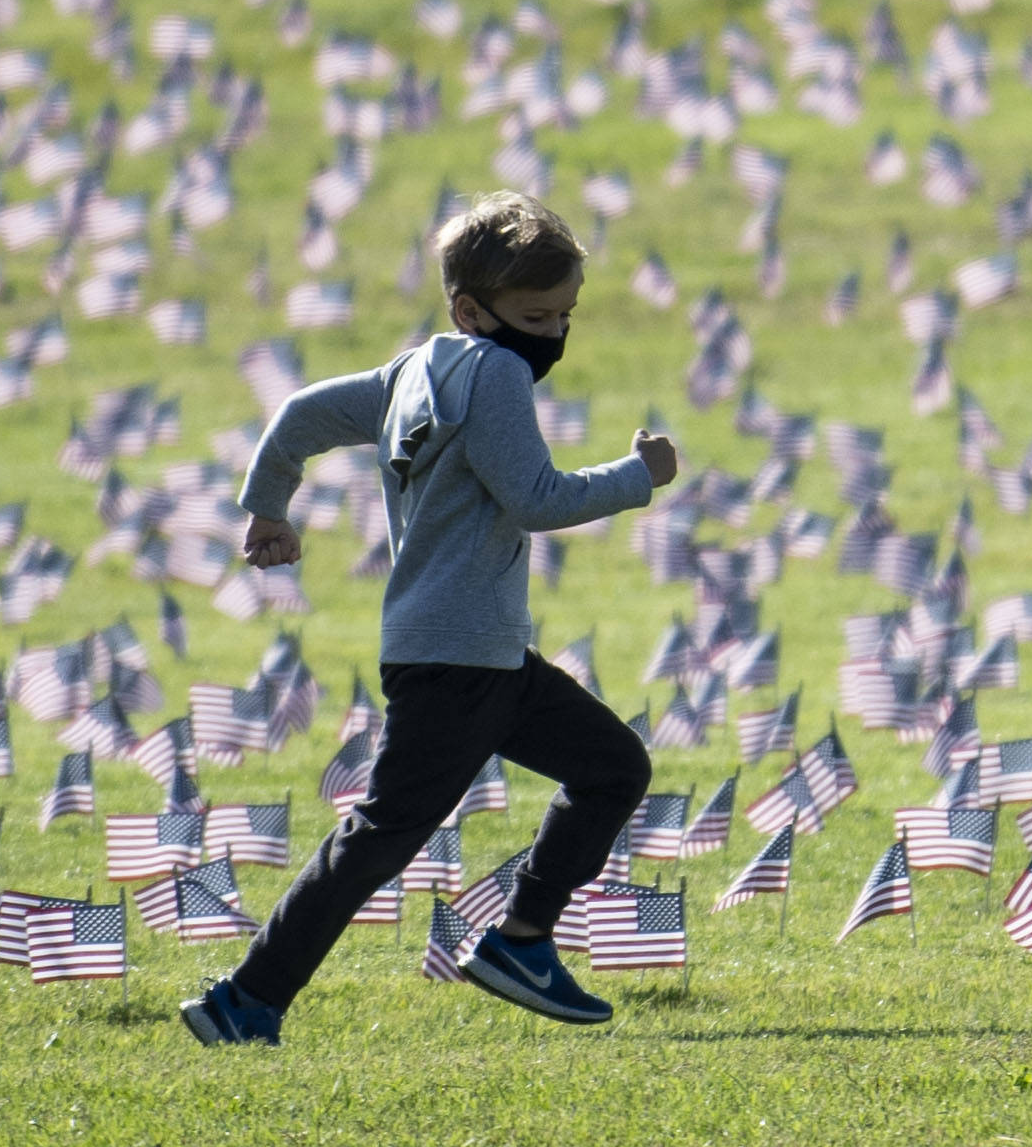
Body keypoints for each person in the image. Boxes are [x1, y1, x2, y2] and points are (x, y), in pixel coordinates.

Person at [181, 192, 676, 1042]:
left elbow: (299, 415)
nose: (552, 334)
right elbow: (535, 499)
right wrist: (638, 477)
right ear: (470, 309)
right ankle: (244, 1000)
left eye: (565, 316)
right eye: (535, 315)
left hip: (478, 654)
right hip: (459, 661)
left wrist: (268, 507)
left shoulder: (414, 369)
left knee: (612, 767)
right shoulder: (496, 372)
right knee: (381, 836)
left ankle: (521, 940)